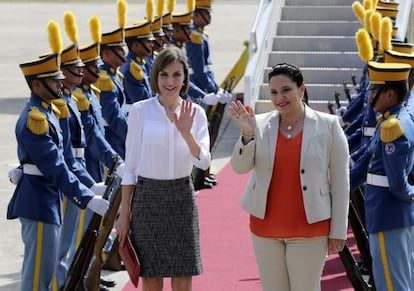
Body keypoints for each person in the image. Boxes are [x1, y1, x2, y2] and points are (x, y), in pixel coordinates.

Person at [228, 63, 350, 291]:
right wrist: (247, 134)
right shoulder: (259, 124)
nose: (279, 98)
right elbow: (239, 167)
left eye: (285, 90)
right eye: (273, 92)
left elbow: (341, 182)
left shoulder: (329, 126)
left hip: (310, 230)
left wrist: (338, 231)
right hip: (265, 229)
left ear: (301, 89)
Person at [6, 20, 109, 291]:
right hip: (38, 201)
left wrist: (88, 185)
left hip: (48, 199)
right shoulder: (36, 118)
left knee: (48, 271)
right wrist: (86, 196)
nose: (61, 84)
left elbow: (66, 159)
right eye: (55, 80)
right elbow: (55, 166)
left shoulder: (50, 112)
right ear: (38, 85)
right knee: (38, 278)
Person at [115, 46, 211, 291]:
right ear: (155, 77)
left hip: (181, 198)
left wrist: (186, 133)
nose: (170, 81)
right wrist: (124, 213)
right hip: (147, 199)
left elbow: (204, 162)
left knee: (182, 277)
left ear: (185, 78)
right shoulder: (139, 111)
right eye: (164, 75)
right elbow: (131, 169)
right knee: (152, 277)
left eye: (177, 75)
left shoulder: (196, 113)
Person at [360, 60, 414, 291]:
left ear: (390, 94)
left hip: (387, 212)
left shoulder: (393, 127)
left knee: (392, 285)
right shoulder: (393, 121)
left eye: (375, 90)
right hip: (392, 214)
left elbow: (398, 184)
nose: (370, 95)